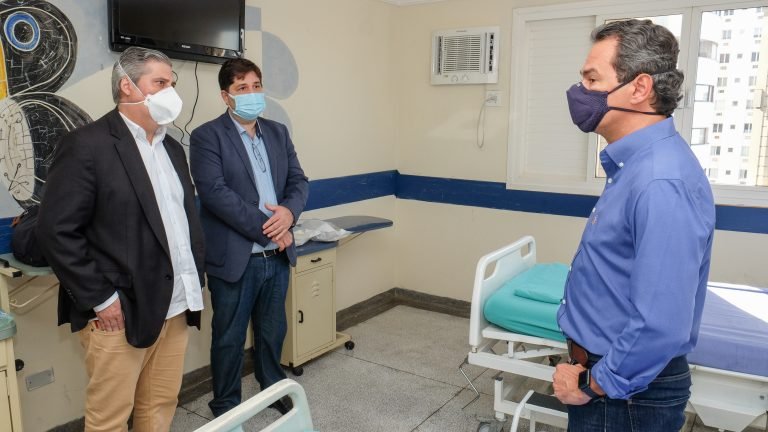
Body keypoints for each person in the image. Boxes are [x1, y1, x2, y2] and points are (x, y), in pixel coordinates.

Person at [553, 19, 716, 432]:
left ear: (640, 88)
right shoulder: (636, 165)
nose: (579, 92)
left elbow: (660, 323)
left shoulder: (661, 180)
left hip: (623, 398)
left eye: (592, 79)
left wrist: (592, 386)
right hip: (607, 379)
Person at [37, 46, 205, 431]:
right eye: (160, 82)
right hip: (119, 310)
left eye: (172, 83)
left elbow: (179, 222)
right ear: (127, 86)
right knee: (110, 418)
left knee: (159, 406)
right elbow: (56, 230)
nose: (170, 92)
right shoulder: (88, 145)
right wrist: (101, 298)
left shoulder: (172, 148)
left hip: (176, 303)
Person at [189, 58, 308, 417]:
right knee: (229, 337)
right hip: (237, 258)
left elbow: (298, 181)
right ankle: (226, 406)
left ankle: (272, 388)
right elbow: (215, 194)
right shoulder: (206, 137)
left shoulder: (277, 132)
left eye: (256, 86)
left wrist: (289, 214)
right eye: (242, 88)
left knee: (273, 331)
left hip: (277, 256)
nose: (252, 93)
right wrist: (270, 228)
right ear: (226, 96)